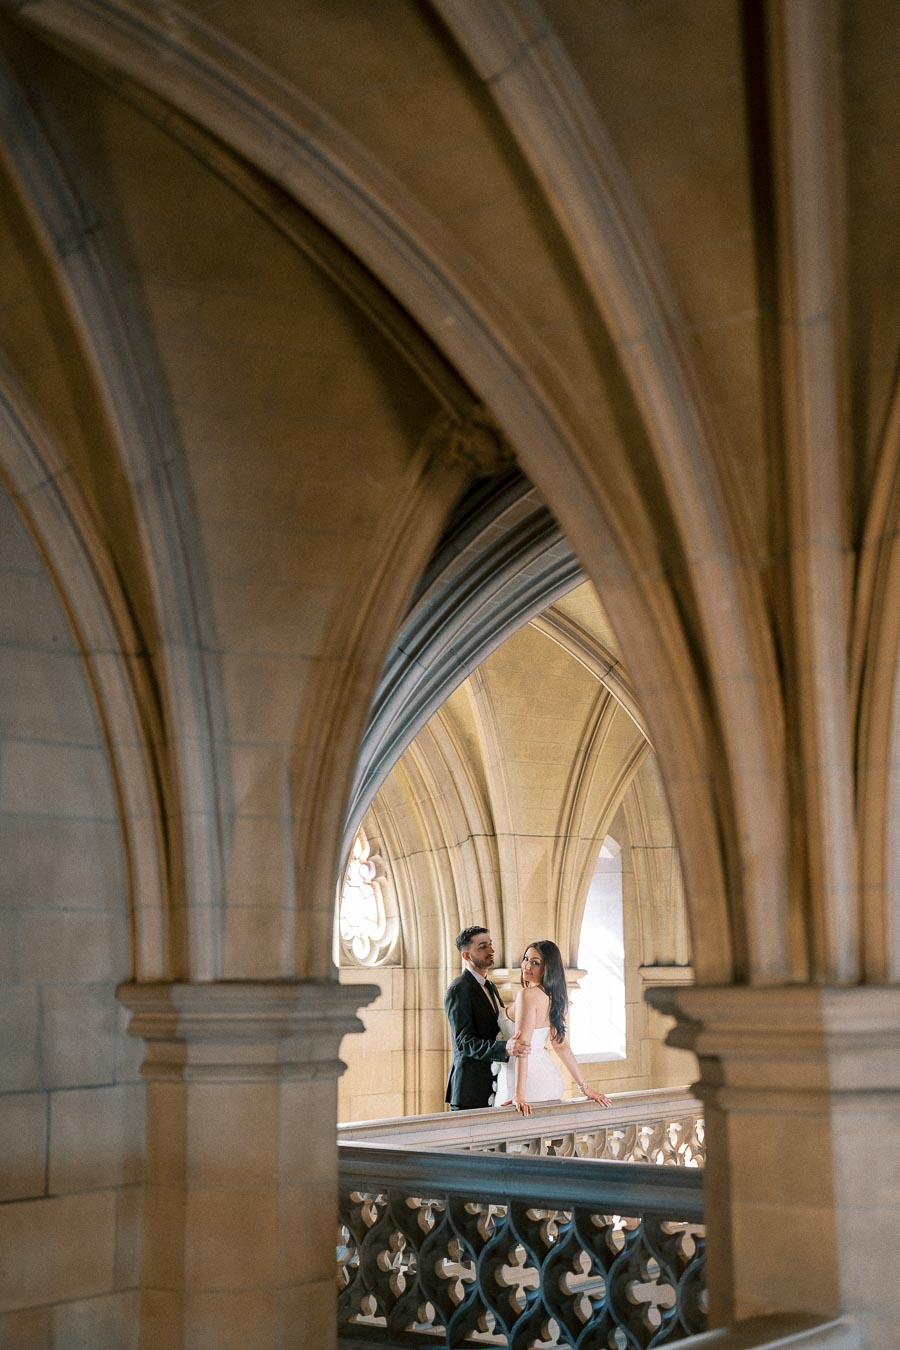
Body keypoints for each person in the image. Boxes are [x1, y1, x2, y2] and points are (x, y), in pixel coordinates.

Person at [494, 939, 613, 1116]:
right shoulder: (556, 997)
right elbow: (560, 1045)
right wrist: (584, 1087)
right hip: (551, 1082)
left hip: (525, 1083)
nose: (527, 966)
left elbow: (522, 1048)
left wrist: (519, 1094)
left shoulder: (527, 995)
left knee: (507, 1141)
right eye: (526, 959)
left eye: (535, 963)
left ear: (548, 968)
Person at [444, 926, 529, 1109]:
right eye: (482, 946)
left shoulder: (490, 986)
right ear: (466, 956)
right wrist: (504, 1047)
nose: (491, 951)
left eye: (490, 944)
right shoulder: (459, 989)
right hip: (469, 1090)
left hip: (493, 1085)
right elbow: (464, 1042)